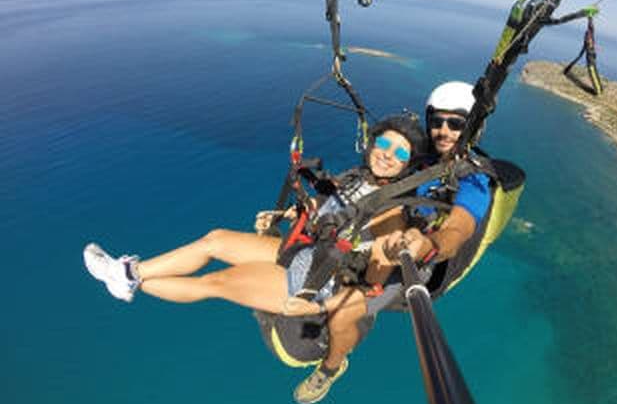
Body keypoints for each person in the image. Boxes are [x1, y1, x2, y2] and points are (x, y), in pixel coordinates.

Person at [83, 113, 426, 332]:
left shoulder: (390, 212)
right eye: (384, 143)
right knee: (215, 239)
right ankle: (125, 274)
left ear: (407, 166)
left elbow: (372, 291)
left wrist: (320, 305)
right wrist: (288, 216)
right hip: (304, 250)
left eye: (400, 153)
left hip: (316, 280)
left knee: (217, 282)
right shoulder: (357, 178)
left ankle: (128, 282)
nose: (387, 154)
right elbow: (332, 214)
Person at [289, 81, 492, 404]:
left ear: (471, 128)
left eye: (455, 124)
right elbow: (379, 178)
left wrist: (427, 245)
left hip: (412, 260)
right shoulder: (425, 160)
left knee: (341, 316)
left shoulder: (474, 181)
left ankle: (330, 368)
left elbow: (458, 230)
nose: (443, 130)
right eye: (437, 121)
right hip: (381, 234)